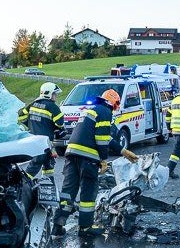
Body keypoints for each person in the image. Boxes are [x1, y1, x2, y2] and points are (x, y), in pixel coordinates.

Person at [53, 88, 138, 237]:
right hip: (88, 158)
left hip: (71, 154)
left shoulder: (92, 110)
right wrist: (103, 160)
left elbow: (106, 137)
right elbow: (101, 139)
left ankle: (57, 226)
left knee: (68, 191)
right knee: (88, 191)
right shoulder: (105, 111)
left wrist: (123, 151)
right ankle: (85, 228)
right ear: (114, 102)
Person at [18, 82, 64, 176]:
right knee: (36, 164)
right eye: (55, 94)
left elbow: (21, 117)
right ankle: (24, 184)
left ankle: (48, 185)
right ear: (49, 94)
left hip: (33, 139)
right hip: (44, 141)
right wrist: (57, 129)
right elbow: (60, 123)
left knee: (48, 164)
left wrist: (30, 124)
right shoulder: (53, 107)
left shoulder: (33, 104)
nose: (56, 96)